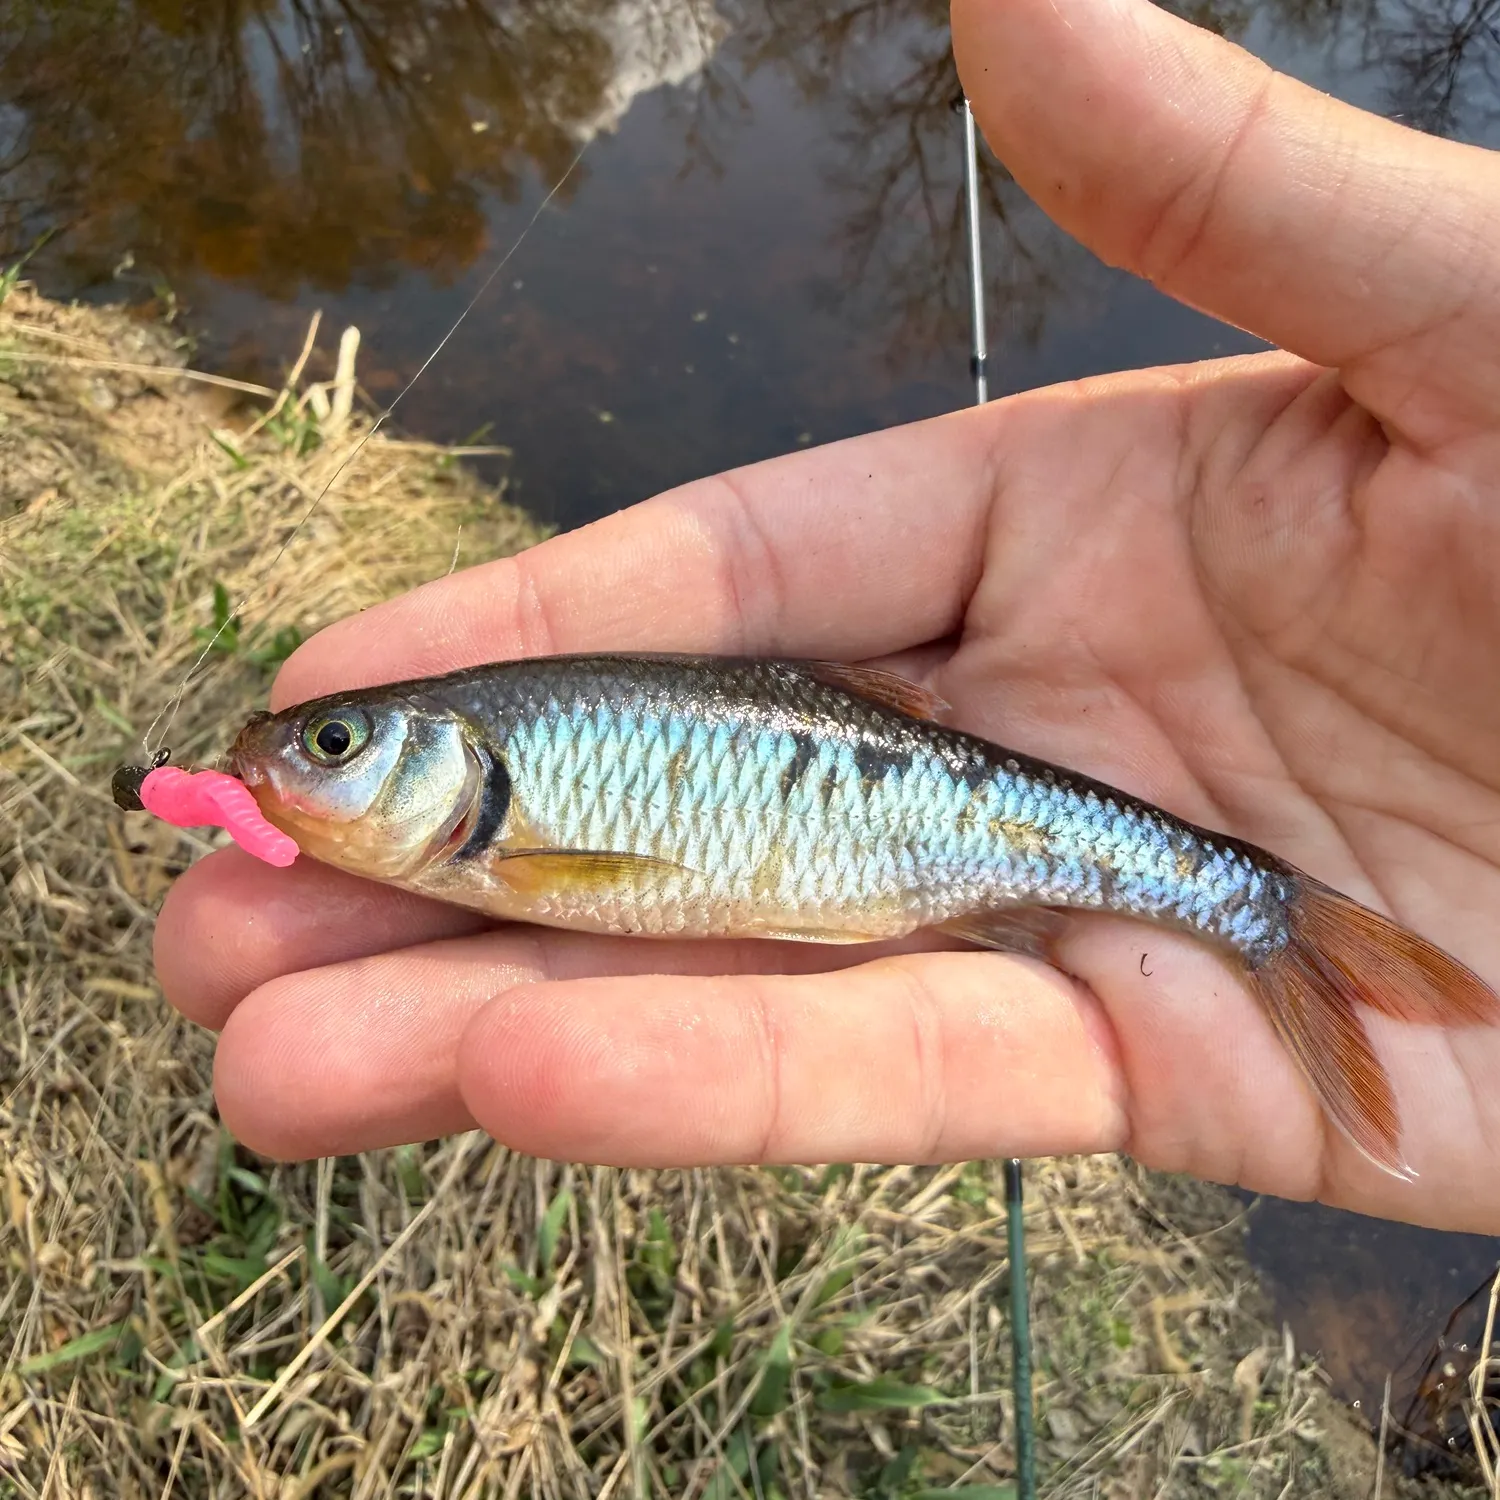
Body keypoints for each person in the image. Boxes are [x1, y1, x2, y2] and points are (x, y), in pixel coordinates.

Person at [153, 0, 1500, 1237]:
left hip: (956, 824)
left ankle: (1263, 914)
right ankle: (1264, 915)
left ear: (453, 755)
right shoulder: (478, 827)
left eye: (335, 745)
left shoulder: (496, 829)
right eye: (330, 747)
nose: (296, 761)